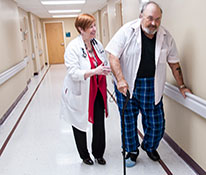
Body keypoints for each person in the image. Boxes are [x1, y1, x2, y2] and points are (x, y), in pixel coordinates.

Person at [105, 1, 191, 167]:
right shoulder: (127, 31)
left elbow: (174, 64)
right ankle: (131, 151)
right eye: (150, 18)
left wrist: (181, 85)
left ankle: (149, 146)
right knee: (128, 121)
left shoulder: (166, 37)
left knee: (157, 123)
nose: (154, 23)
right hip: (127, 84)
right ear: (141, 16)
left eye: (157, 19)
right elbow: (113, 56)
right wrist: (121, 80)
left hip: (152, 86)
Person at [60, 13, 111, 165]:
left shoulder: (97, 44)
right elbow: (73, 73)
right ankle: (84, 155)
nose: (94, 29)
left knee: (99, 123)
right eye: (90, 27)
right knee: (79, 123)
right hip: (81, 92)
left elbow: (103, 62)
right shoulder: (72, 48)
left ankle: (98, 153)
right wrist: (95, 72)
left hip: (97, 91)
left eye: (94, 25)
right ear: (81, 29)